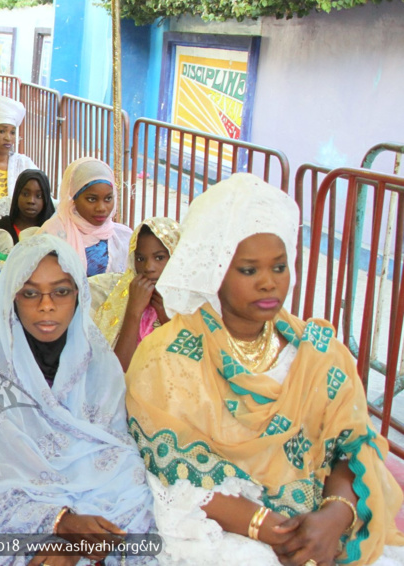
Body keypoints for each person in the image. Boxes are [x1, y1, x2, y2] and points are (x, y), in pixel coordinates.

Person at [127, 173, 404, 564]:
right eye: (248, 270)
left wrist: (335, 516)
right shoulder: (167, 357)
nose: (268, 284)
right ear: (216, 270)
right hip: (220, 529)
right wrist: (271, 529)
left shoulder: (320, 353)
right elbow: (170, 469)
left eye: (279, 267)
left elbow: (353, 444)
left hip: (321, 528)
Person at [0, 234, 157, 566]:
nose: (46, 305)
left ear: (79, 295)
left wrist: (83, 534)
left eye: (61, 292)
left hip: (102, 506)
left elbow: (119, 454)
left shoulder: (98, 361)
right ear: (11, 298)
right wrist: (56, 523)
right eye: (30, 293)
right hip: (22, 519)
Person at [93, 217, 180, 371]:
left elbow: (194, 366)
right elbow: (117, 372)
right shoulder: (125, 298)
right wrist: (134, 311)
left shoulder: (192, 303)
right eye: (140, 258)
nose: (148, 267)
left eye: (159, 257)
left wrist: (167, 319)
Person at [40, 157, 132, 277]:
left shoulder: (123, 238)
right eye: (92, 199)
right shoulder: (52, 234)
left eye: (108, 198)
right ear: (74, 198)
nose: (101, 208)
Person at [0, 169, 56, 244]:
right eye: (25, 194)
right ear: (17, 195)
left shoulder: (53, 230)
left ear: (46, 199)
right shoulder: (4, 227)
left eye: (39, 196)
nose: (31, 201)